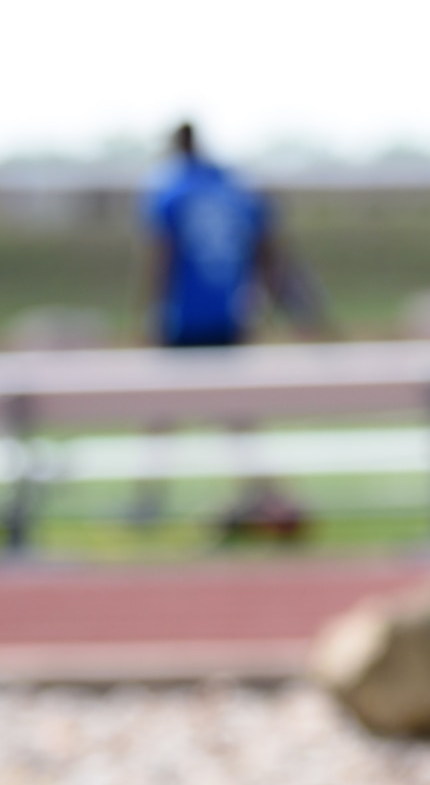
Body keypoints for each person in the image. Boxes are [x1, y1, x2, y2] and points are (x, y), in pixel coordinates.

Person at [133, 122, 325, 534]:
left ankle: (148, 501)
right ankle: (262, 494)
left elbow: (161, 256)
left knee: (161, 412)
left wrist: (148, 313)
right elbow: (269, 254)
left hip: (183, 316)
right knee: (237, 414)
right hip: (230, 315)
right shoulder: (235, 189)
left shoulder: (171, 190)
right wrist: (287, 311)